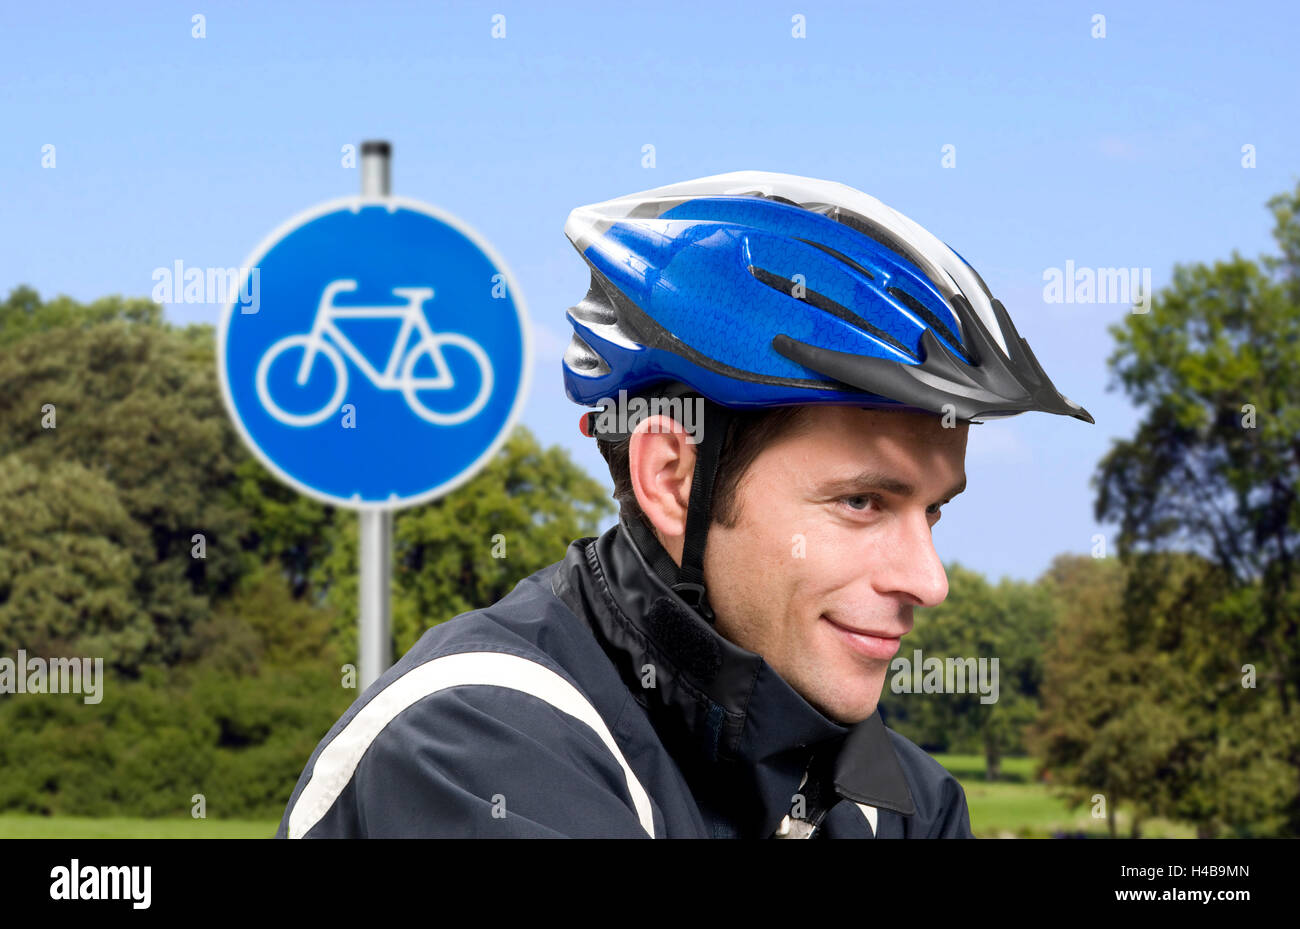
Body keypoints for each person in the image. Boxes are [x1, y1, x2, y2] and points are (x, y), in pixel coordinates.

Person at [275, 170, 1093, 839]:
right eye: (863, 502)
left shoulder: (900, 802)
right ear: (671, 478)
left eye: (934, 512)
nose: (929, 579)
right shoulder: (471, 744)